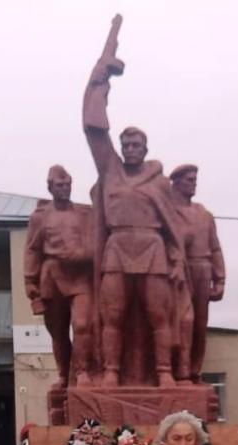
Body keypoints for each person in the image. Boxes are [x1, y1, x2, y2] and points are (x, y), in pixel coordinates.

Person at [83, 28, 186, 388]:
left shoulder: (160, 183)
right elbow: (93, 128)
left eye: (135, 142)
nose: (129, 147)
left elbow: (173, 226)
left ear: (145, 147)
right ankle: (111, 371)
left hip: (153, 249)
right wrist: (100, 79)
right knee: (113, 314)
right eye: (125, 142)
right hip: (117, 249)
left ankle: (164, 373)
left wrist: (175, 258)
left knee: (159, 314)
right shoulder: (110, 169)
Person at [23, 165, 94, 387]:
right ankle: (64, 373)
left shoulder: (85, 213)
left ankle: (82, 371)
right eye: (59, 185)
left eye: (67, 185)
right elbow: (33, 249)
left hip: (80, 276)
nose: (64, 189)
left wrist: (85, 254)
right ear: (50, 188)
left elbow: (97, 242)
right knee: (58, 331)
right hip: (52, 276)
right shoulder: (40, 217)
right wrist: (30, 281)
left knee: (82, 325)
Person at [169, 165, 226, 383]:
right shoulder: (168, 212)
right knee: (181, 322)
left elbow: (215, 248)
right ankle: (177, 371)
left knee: (199, 326)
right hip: (178, 270)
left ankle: (193, 372)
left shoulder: (204, 214)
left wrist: (220, 279)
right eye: (188, 180)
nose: (193, 183)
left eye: (195, 180)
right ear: (176, 182)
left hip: (202, 269)